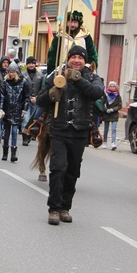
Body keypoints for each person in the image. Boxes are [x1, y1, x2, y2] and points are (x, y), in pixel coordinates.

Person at [36, 45, 103, 225]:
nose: (76, 60)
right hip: (59, 129)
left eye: (80, 58)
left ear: (84, 60)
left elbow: (97, 93)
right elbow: (40, 100)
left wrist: (78, 79)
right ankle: (54, 209)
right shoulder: (56, 75)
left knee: (72, 172)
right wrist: (52, 94)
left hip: (80, 132)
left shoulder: (92, 77)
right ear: (68, 59)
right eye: (73, 57)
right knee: (58, 168)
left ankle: (65, 207)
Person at [0, 61, 29, 162]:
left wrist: (24, 110)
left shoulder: (23, 82)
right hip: (7, 110)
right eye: (9, 72)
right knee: (6, 132)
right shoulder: (5, 82)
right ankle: (5, 153)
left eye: (13, 72)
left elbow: (26, 97)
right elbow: (2, 96)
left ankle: (13, 154)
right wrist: (1, 109)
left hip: (17, 110)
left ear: (16, 72)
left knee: (15, 132)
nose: (11, 74)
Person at [21, 56, 43, 145]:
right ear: (27, 64)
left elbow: (42, 88)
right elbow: (21, 88)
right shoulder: (22, 74)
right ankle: (25, 137)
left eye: (32, 63)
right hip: (26, 100)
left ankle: (30, 134)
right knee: (26, 119)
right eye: (29, 63)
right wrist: (28, 97)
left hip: (36, 100)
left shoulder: (40, 75)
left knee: (34, 119)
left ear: (35, 64)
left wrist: (37, 97)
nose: (31, 65)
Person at [101, 81, 122, 150]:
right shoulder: (105, 94)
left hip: (114, 114)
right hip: (106, 114)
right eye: (110, 86)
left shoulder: (118, 95)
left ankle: (113, 143)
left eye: (113, 86)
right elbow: (102, 103)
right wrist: (105, 109)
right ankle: (105, 142)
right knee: (106, 129)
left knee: (113, 129)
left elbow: (119, 105)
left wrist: (113, 109)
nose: (112, 87)